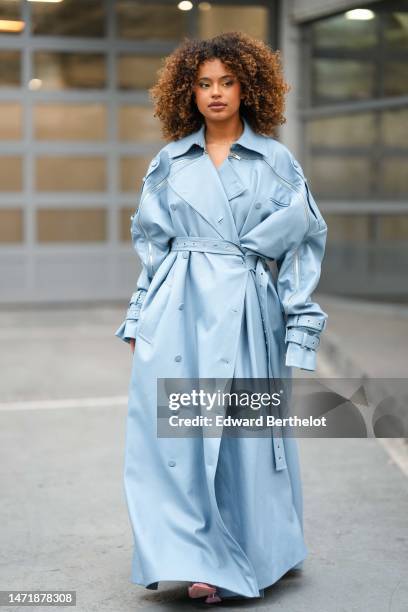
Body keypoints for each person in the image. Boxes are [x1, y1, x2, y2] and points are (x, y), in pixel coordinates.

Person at [115, 31, 328, 605]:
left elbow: (305, 240)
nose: (215, 94)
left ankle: (252, 552)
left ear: (247, 87)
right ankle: (185, 554)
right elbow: (152, 247)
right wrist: (139, 318)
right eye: (204, 83)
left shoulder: (275, 161)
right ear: (188, 91)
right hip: (176, 313)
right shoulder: (169, 161)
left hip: (247, 314)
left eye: (226, 82)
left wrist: (301, 325)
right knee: (172, 440)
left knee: (244, 440)